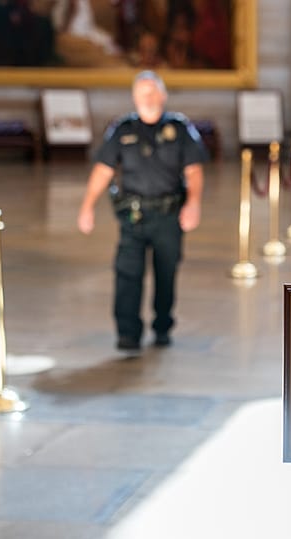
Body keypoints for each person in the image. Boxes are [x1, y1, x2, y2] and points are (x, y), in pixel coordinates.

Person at [77, 70, 206, 357]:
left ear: (162, 95)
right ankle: (127, 334)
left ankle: (162, 326)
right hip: (133, 217)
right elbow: (103, 170)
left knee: (166, 272)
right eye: (141, 94)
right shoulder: (123, 130)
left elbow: (194, 170)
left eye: (151, 92)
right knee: (127, 273)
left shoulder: (180, 128)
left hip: (168, 215)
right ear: (134, 98)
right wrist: (87, 206)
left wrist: (193, 203)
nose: (146, 99)